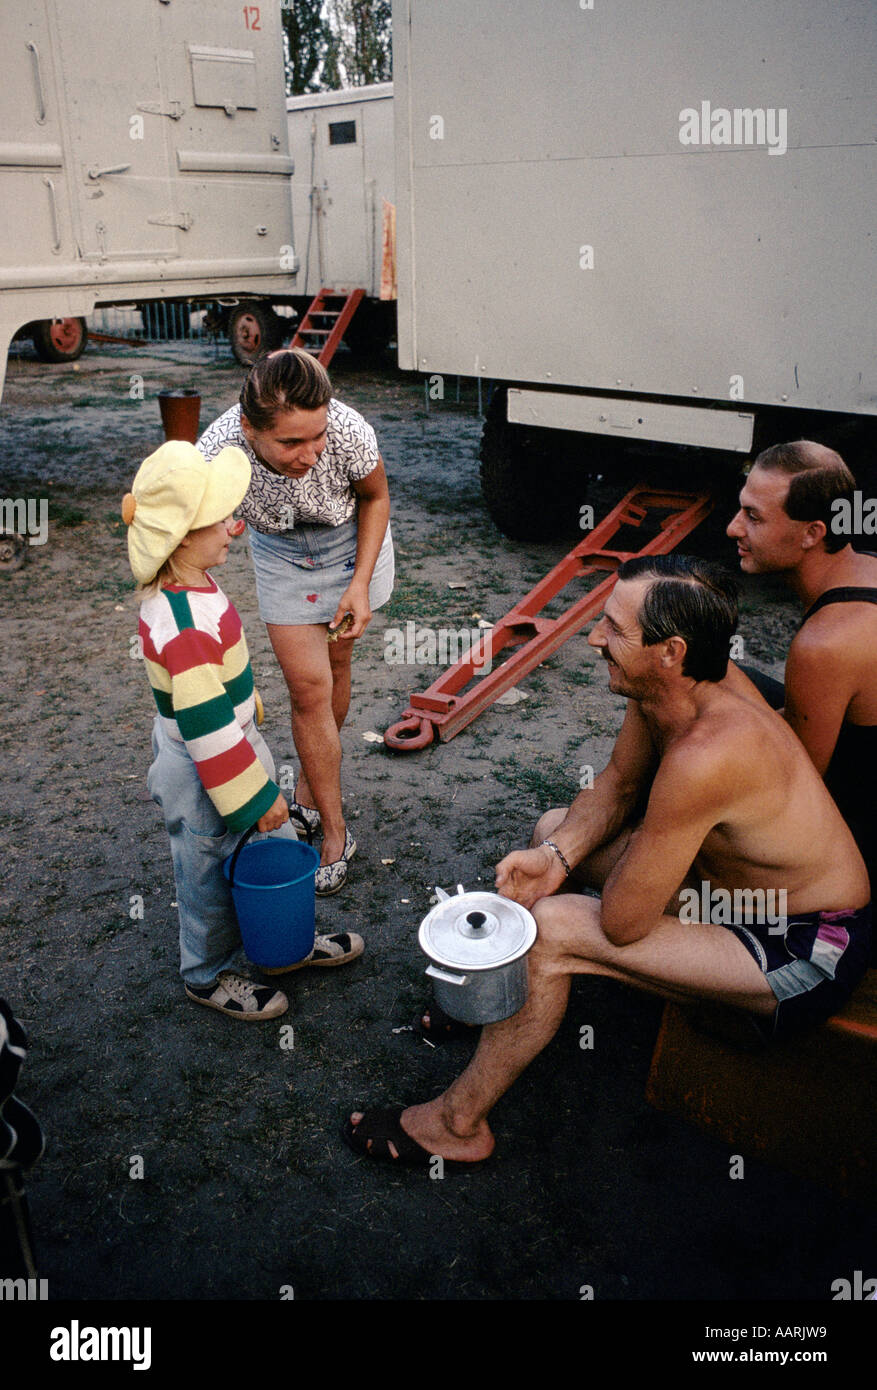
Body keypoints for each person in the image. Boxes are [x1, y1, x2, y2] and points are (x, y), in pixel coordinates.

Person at [344, 555, 871, 1164]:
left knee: (555, 931)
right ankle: (507, 1001)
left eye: (614, 630)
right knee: (553, 832)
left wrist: (571, 884)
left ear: (670, 650)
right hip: (734, 896)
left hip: (806, 946)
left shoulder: (710, 752)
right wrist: (556, 857)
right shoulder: (671, 687)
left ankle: (456, 1126)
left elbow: (622, 922)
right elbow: (618, 784)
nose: (594, 638)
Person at [124, 441, 363, 1022]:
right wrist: (257, 799)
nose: (235, 526)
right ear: (181, 537)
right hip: (203, 758)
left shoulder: (195, 584)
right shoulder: (182, 623)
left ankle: (285, 942)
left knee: (274, 846)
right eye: (220, 519)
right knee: (206, 867)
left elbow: (215, 689)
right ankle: (206, 974)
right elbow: (204, 726)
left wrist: (245, 712)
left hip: (229, 744)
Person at [197, 349, 394, 895]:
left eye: (317, 436)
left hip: (349, 542)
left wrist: (359, 582)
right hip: (281, 554)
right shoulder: (217, 448)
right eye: (289, 442)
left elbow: (375, 497)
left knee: (335, 666)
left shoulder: (349, 430)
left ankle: (310, 792)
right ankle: (336, 833)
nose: (309, 454)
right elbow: (188, 520)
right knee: (309, 689)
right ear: (248, 429)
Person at [726, 441, 877, 900]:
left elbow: (793, 792)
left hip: (856, 858)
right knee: (710, 672)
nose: (733, 527)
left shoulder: (826, 644)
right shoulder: (867, 571)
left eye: (754, 517)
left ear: (812, 533)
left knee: (689, 682)